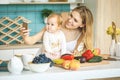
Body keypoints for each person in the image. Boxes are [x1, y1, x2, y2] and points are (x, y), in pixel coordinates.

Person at [20, 6, 93, 57]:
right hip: (44, 62)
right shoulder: (55, 24)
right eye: (71, 15)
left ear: (82, 25)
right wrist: (25, 37)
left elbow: (75, 52)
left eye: (75, 20)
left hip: (60, 66)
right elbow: (31, 41)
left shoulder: (81, 34)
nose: (70, 20)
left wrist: (76, 53)